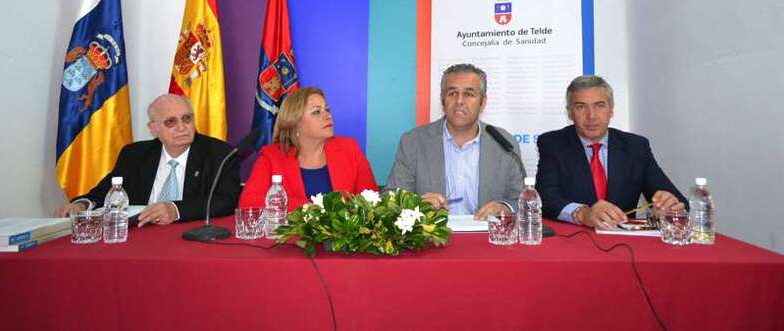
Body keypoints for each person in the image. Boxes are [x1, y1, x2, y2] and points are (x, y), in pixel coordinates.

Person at [54, 94, 240, 226]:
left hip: (191, 237)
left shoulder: (219, 154)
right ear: (154, 129)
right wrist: (82, 204)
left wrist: (175, 210)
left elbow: (226, 201)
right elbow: (105, 192)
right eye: (171, 122)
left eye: (187, 119)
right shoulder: (134, 155)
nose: (182, 127)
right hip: (140, 237)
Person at [536, 75, 687, 229]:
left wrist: (669, 207)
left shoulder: (636, 147)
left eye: (599, 105)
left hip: (624, 239)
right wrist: (582, 213)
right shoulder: (553, 144)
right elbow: (545, 198)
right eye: (581, 107)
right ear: (569, 113)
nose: (591, 116)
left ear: (611, 110)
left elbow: (680, 203)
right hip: (575, 237)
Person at [385, 63, 524, 219]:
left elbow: (522, 199)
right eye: (452, 93)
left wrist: (505, 207)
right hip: (431, 232)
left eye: (469, 94)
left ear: (483, 102)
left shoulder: (504, 143)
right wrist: (416, 203)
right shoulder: (413, 142)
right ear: (442, 100)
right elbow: (390, 198)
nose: (459, 101)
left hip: (486, 232)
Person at [239, 87, 378, 211]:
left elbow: (372, 201)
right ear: (295, 123)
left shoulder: (350, 149)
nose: (328, 115)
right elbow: (248, 202)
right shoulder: (272, 157)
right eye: (316, 112)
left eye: (327, 109)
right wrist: (311, 208)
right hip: (292, 233)